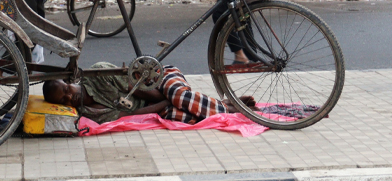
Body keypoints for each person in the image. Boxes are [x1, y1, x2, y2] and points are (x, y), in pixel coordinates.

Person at [43, 62, 256, 124]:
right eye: (63, 100)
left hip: (159, 82)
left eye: (66, 90)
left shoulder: (97, 73)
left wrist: (166, 99)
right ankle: (226, 106)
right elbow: (128, 116)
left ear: (70, 82)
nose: (69, 97)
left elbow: (142, 90)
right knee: (184, 116)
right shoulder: (89, 112)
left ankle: (231, 107)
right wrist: (165, 106)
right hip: (157, 107)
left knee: (179, 97)